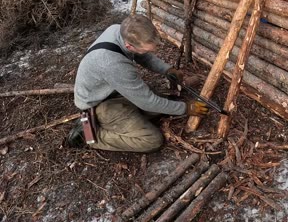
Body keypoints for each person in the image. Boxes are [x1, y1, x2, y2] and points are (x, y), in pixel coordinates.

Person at [66, 14, 209, 152]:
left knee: (161, 104)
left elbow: (143, 56)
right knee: (152, 140)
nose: (151, 51)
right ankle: (91, 136)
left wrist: (167, 70)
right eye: (147, 49)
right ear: (129, 46)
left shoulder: (120, 30)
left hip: (111, 91)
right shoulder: (114, 65)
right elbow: (147, 102)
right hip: (98, 105)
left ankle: (126, 118)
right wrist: (186, 108)